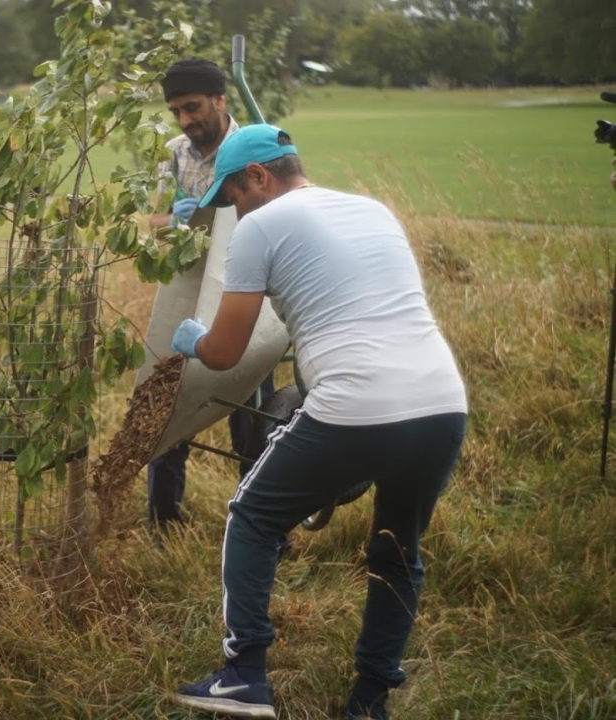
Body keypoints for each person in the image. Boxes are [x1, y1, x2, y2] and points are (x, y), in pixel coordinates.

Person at [167, 124, 468, 720]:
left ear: (258, 176)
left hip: (356, 406)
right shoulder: (373, 208)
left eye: (229, 197)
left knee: (252, 517)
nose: (231, 211)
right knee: (395, 550)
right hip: (441, 403)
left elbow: (227, 353)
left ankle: (244, 675)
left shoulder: (259, 225)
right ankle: (369, 700)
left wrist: (194, 340)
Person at [146, 57, 276, 532]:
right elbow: (153, 221)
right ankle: (163, 525)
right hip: (187, 294)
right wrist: (174, 221)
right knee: (167, 407)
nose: (186, 120)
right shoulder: (173, 153)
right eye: (176, 111)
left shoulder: (255, 145)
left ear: (221, 100)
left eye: (194, 107)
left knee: (250, 414)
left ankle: (257, 524)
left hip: (244, 294)